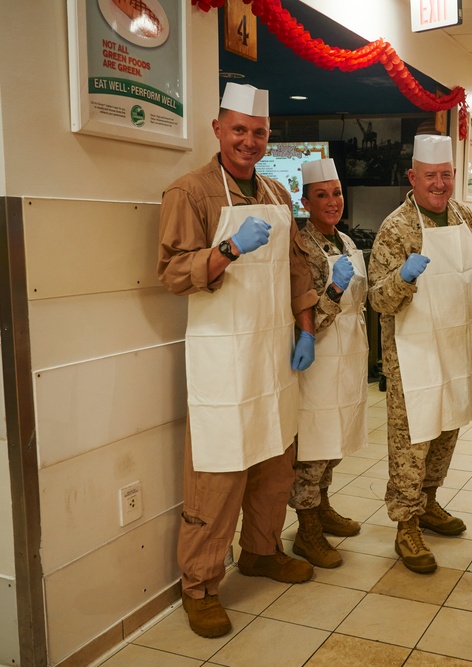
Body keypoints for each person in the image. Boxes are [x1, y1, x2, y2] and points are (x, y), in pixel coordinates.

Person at [158, 83, 318, 638]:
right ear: (218, 130)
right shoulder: (190, 192)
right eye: (239, 130)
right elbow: (173, 274)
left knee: (276, 460)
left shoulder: (275, 191)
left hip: (274, 355)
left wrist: (305, 330)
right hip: (224, 359)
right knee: (219, 472)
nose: (249, 141)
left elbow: (298, 270)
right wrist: (227, 250)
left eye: (259, 132)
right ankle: (199, 585)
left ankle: (262, 551)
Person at [368, 135, 472, 574]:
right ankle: (405, 524)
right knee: (413, 442)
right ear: (413, 177)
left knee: (447, 428)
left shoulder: (465, 219)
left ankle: (429, 501)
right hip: (414, 354)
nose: (438, 184)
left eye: (445, 175)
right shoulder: (396, 227)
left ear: (454, 176)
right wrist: (401, 278)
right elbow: (379, 300)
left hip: (458, 348)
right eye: (430, 176)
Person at [288, 158, 369, 567]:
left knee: (335, 442)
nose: (332, 201)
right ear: (305, 201)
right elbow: (308, 320)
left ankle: (322, 505)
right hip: (318, 362)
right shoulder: (301, 248)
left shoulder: (345, 241)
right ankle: (307, 529)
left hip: (348, 358)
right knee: (314, 448)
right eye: (321, 195)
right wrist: (334, 289)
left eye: (336, 193)